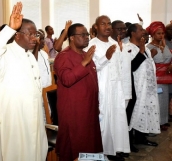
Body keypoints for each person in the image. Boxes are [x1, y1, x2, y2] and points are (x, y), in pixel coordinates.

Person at [0, 2, 48, 160]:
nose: (34, 38)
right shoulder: (4, 53)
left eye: (36, 34)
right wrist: (9, 29)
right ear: (16, 35)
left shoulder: (30, 55)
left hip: (34, 118)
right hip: (14, 121)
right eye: (29, 34)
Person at [54, 23, 103, 161]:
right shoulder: (64, 56)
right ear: (72, 38)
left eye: (87, 34)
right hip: (74, 110)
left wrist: (96, 104)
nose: (87, 37)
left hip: (89, 108)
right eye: (82, 35)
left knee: (89, 144)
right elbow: (67, 79)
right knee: (75, 145)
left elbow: (93, 81)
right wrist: (84, 63)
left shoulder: (84, 54)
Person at [85, 15, 130, 161]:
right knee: (105, 120)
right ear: (96, 27)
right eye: (103, 24)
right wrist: (106, 57)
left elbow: (120, 67)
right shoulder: (92, 44)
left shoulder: (114, 42)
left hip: (116, 87)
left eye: (109, 23)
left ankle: (117, 148)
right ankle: (105, 152)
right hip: (102, 87)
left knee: (117, 118)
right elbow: (90, 68)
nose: (107, 26)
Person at [125, 23, 160, 150]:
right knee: (133, 113)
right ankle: (129, 143)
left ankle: (141, 137)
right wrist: (140, 52)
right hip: (136, 87)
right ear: (133, 33)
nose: (144, 31)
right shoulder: (127, 48)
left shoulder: (146, 49)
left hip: (147, 88)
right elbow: (131, 67)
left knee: (144, 112)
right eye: (141, 30)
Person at [146, 21, 172, 131]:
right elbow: (147, 64)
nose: (161, 36)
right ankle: (155, 123)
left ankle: (163, 121)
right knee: (157, 101)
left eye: (162, 33)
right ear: (152, 35)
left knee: (164, 100)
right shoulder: (149, 47)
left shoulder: (164, 45)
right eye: (158, 33)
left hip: (166, 78)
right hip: (156, 80)